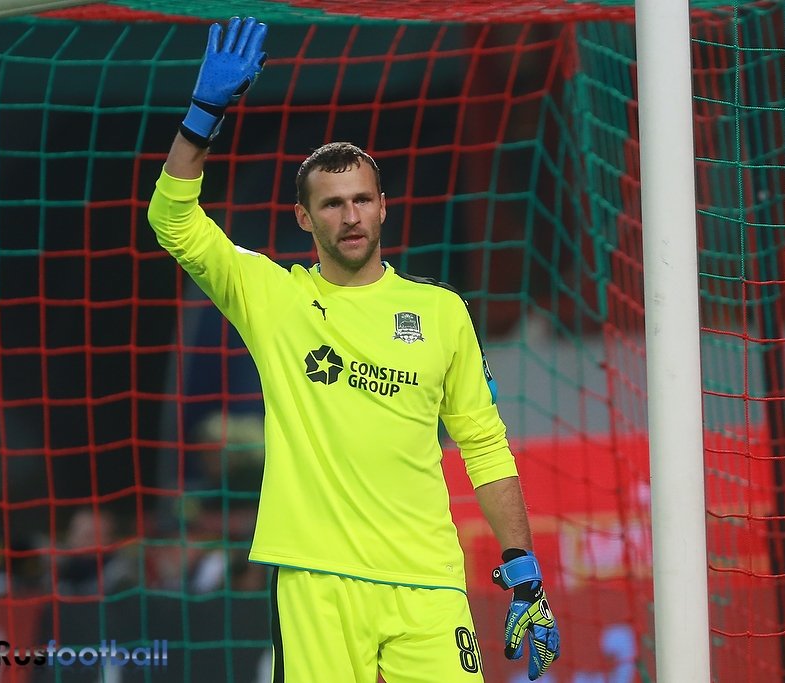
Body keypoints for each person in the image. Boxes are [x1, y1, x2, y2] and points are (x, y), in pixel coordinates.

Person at [147, 16, 560, 682]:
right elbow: (171, 220)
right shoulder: (273, 297)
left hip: (427, 581)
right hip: (317, 582)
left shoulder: (442, 312)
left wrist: (525, 572)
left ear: (383, 207)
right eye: (332, 203)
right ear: (304, 217)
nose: (350, 215)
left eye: (362, 199)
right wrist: (203, 116)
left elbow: (485, 446)